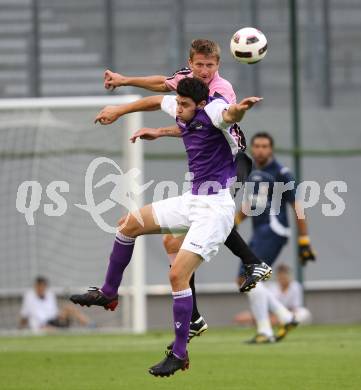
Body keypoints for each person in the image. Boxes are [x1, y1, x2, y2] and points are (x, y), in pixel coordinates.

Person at [71, 78, 263, 376]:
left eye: (185, 105)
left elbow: (229, 115)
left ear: (200, 104)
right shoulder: (181, 105)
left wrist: (241, 109)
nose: (179, 109)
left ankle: (179, 354)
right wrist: (124, 113)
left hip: (216, 209)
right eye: (179, 103)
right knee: (128, 224)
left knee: (177, 275)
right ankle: (109, 293)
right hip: (193, 200)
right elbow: (154, 101)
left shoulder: (212, 111)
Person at [95, 39, 271, 345]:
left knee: (219, 211)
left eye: (210, 65)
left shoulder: (221, 92)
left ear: (218, 65)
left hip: (233, 161)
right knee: (171, 241)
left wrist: (238, 111)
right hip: (206, 176)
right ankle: (194, 316)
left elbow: (223, 117)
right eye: (199, 65)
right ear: (190, 64)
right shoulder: (187, 84)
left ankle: (254, 261)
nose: (204, 71)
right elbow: (163, 91)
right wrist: (125, 83)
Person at [235, 132, 316, 344]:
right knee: (243, 278)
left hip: (274, 230)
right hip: (259, 231)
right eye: (257, 146)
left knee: (250, 277)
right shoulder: (252, 171)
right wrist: (230, 224)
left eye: (265, 146)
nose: (261, 149)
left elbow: (297, 206)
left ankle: (266, 330)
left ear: (271, 149)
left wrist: (304, 240)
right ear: (252, 148)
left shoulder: (282, 173)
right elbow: (250, 206)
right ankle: (285, 317)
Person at [234, 264, 312, 327]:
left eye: (284, 275)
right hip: (273, 315)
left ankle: (270, 323)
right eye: (280, 275)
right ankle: (270, 322)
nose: (282, 278)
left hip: (290, 314)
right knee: (240, 318)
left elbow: (295, 308)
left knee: (304, 313)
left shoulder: (296, 286)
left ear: (289, 276)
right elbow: (268, 308)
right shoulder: (272, 288)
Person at [19, 276, 90, 332]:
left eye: (44, 286)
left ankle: (92, 327)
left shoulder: (50, 294)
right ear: (36, 286)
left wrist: (61, 316)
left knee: (69, 308)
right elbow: (24, 315)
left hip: (54, 320)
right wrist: (20, 329)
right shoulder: (29, 297)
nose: (42, 288)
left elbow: (54, 311)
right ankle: (59, 331)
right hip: (42, 325)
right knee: (50, 330)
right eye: (40, 286)